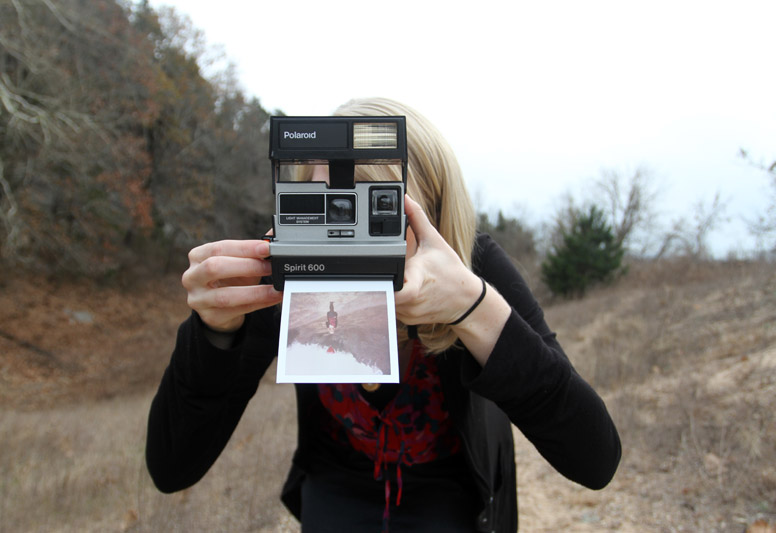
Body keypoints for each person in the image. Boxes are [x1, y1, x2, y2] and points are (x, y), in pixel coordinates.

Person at [146, 97, 621, 532]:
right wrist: (215, 334)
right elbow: (172, 467)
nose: (345, 232)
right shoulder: (291, 275)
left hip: (449, 486)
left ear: (432, 214)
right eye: (323, 207)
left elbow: (594, 459)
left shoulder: (473, 267)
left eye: (373, 206)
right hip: (337, 479)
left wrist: (475, 308)